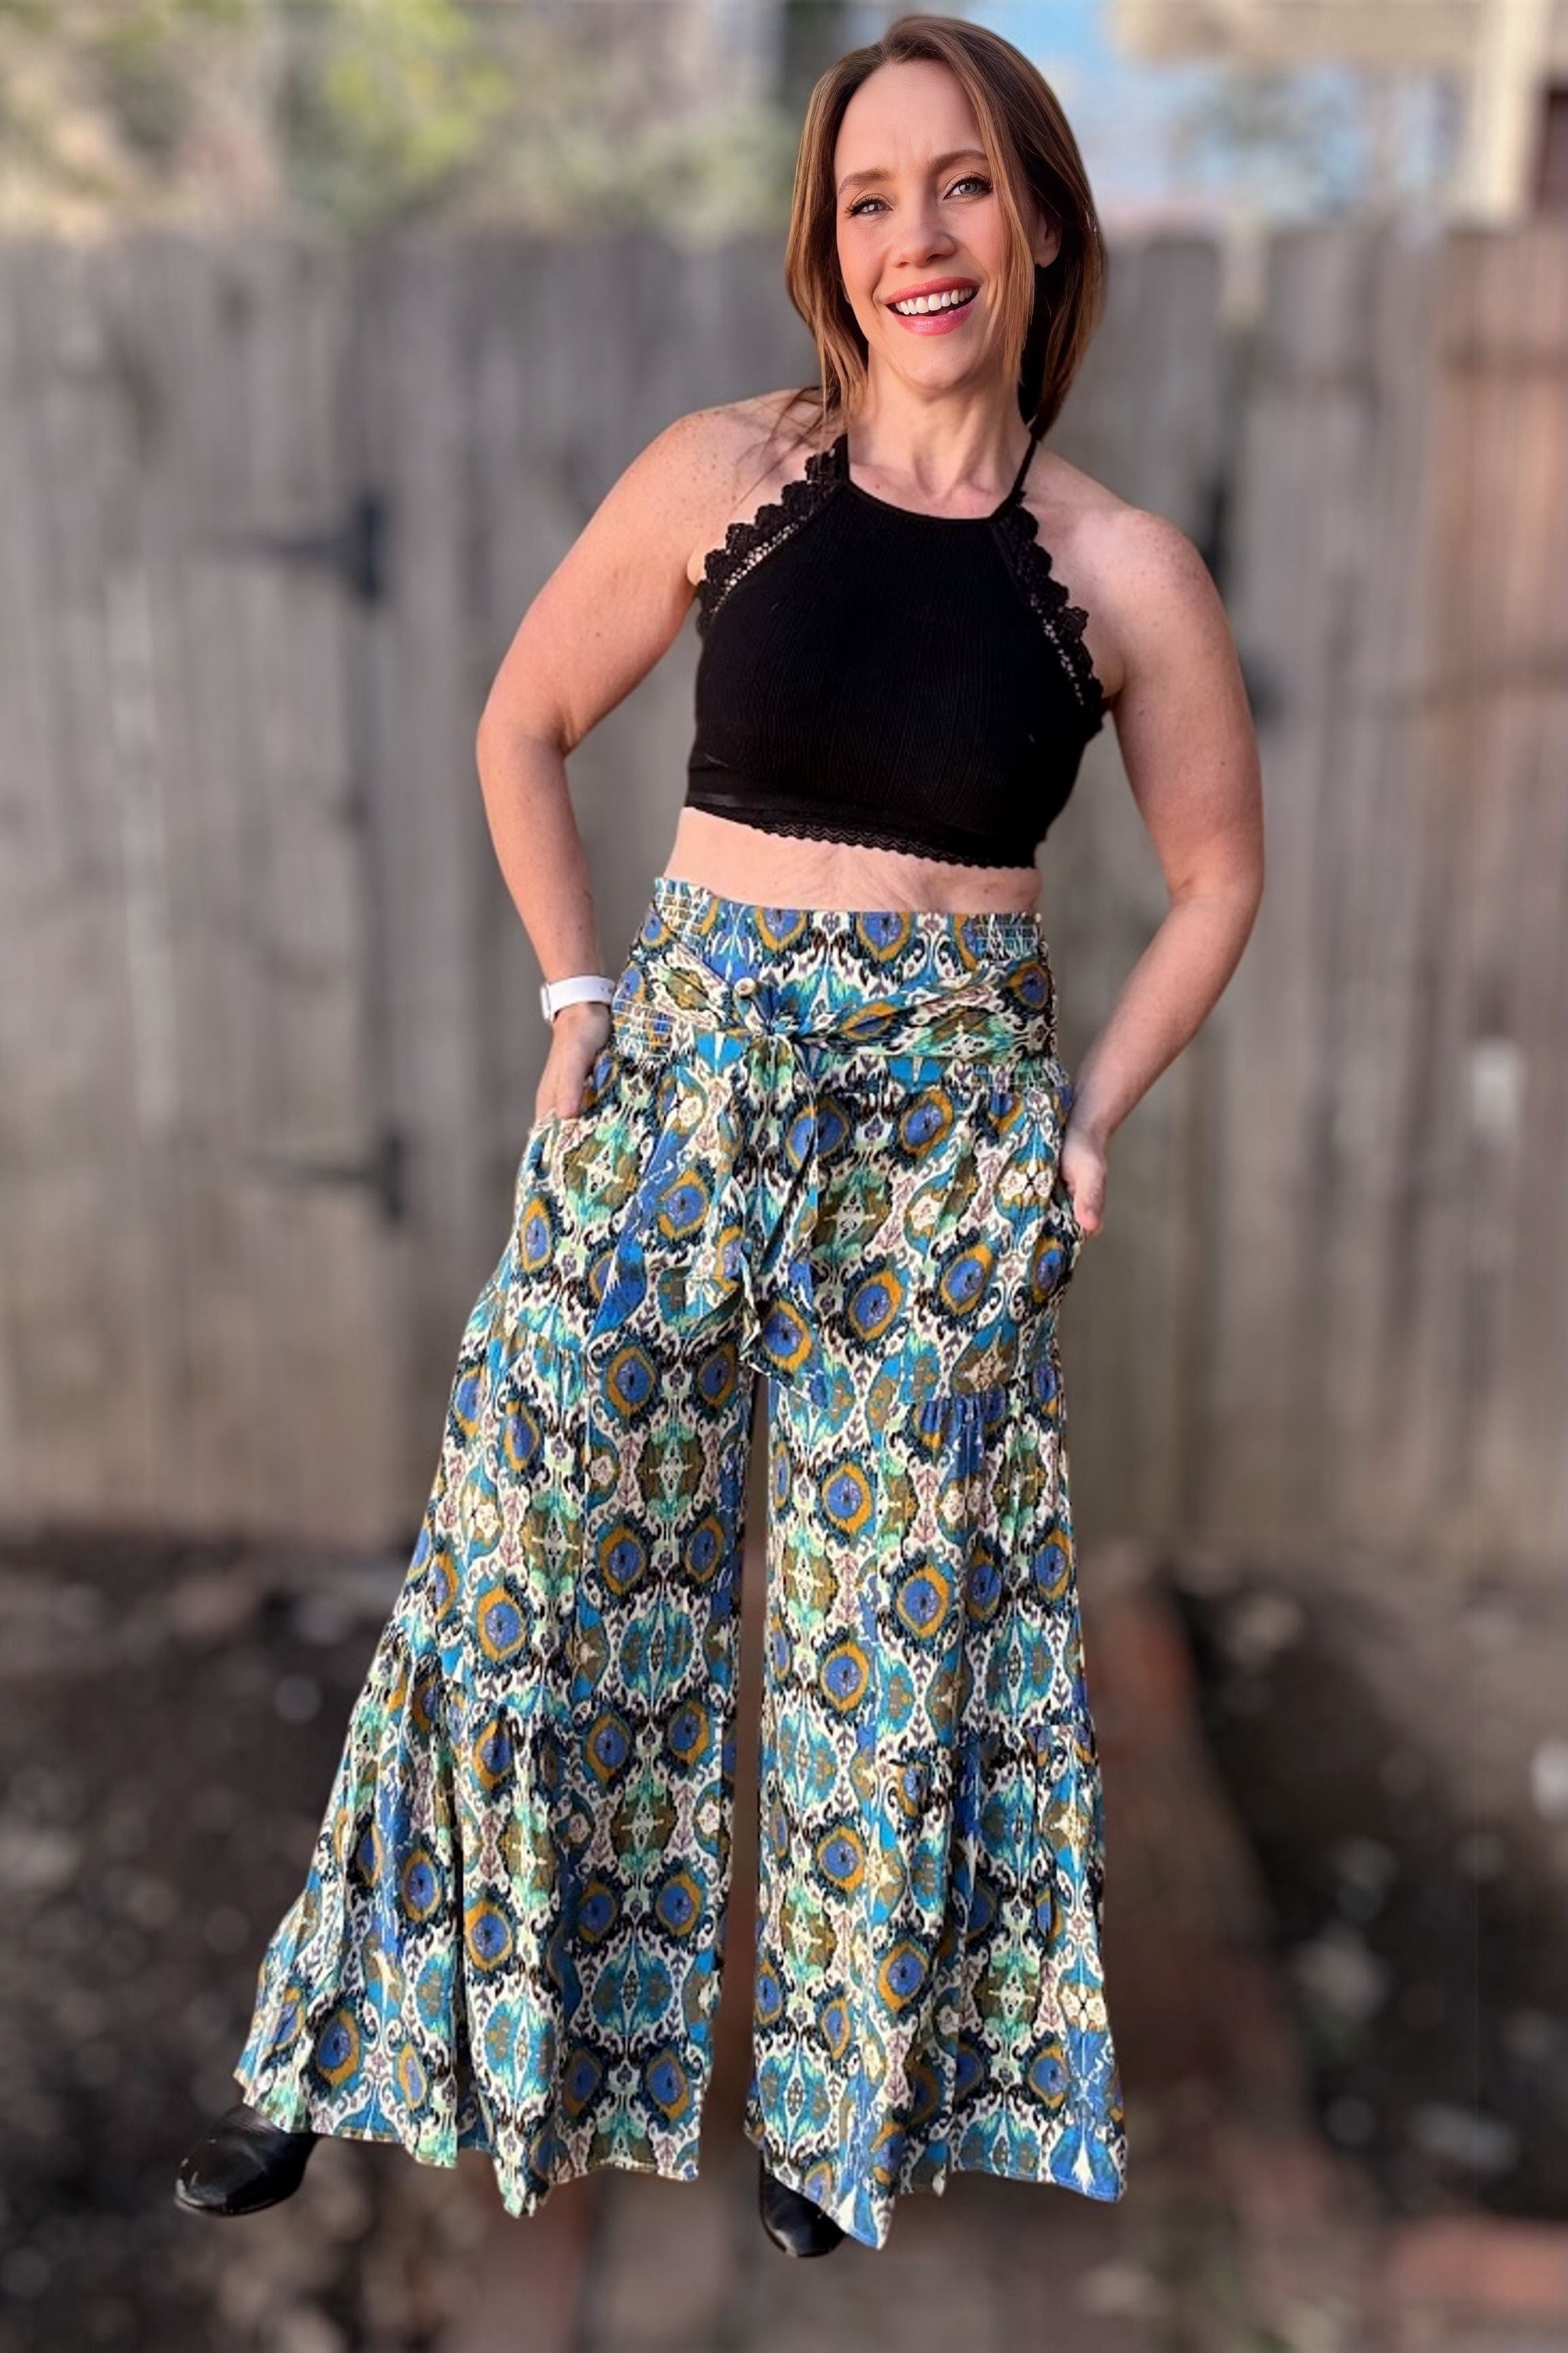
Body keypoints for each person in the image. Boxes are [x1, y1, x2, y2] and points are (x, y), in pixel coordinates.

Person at [175, 11, 1262, 2259]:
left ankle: (836, 2128)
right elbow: (522, 720)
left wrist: (1084, 1121)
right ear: (825, 244)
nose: (914, 237)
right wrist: (579, 999)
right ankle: (339, 2058)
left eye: (961, 184)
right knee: (518, 1565)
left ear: (1043, 223)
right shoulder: (727, 476)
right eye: (868, 199)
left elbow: (1221, 876)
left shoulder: (1123, 570)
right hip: (686, 1078)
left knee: (906, 1636)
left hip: (945, 1131)